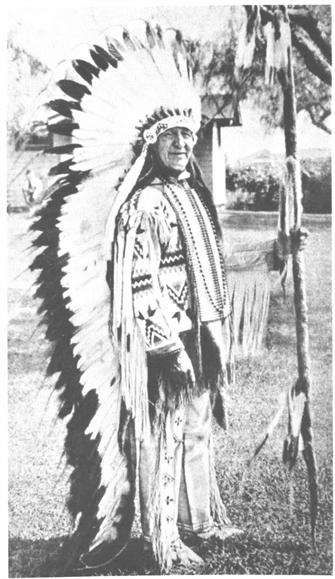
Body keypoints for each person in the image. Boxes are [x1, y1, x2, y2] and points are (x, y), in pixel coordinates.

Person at [102, 111, 242, 572]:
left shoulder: (194, 195)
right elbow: (140, 285)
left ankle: (199, 521)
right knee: (162, 436)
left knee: (197, 429)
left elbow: (210, 264)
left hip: (200, 334)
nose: (182, 143)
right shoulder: (144, 205)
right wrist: (167, 347)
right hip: (165, 341)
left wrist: (278, 251)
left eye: (188, 134)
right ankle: (162, 536)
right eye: (171, 136)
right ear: (153, 144)